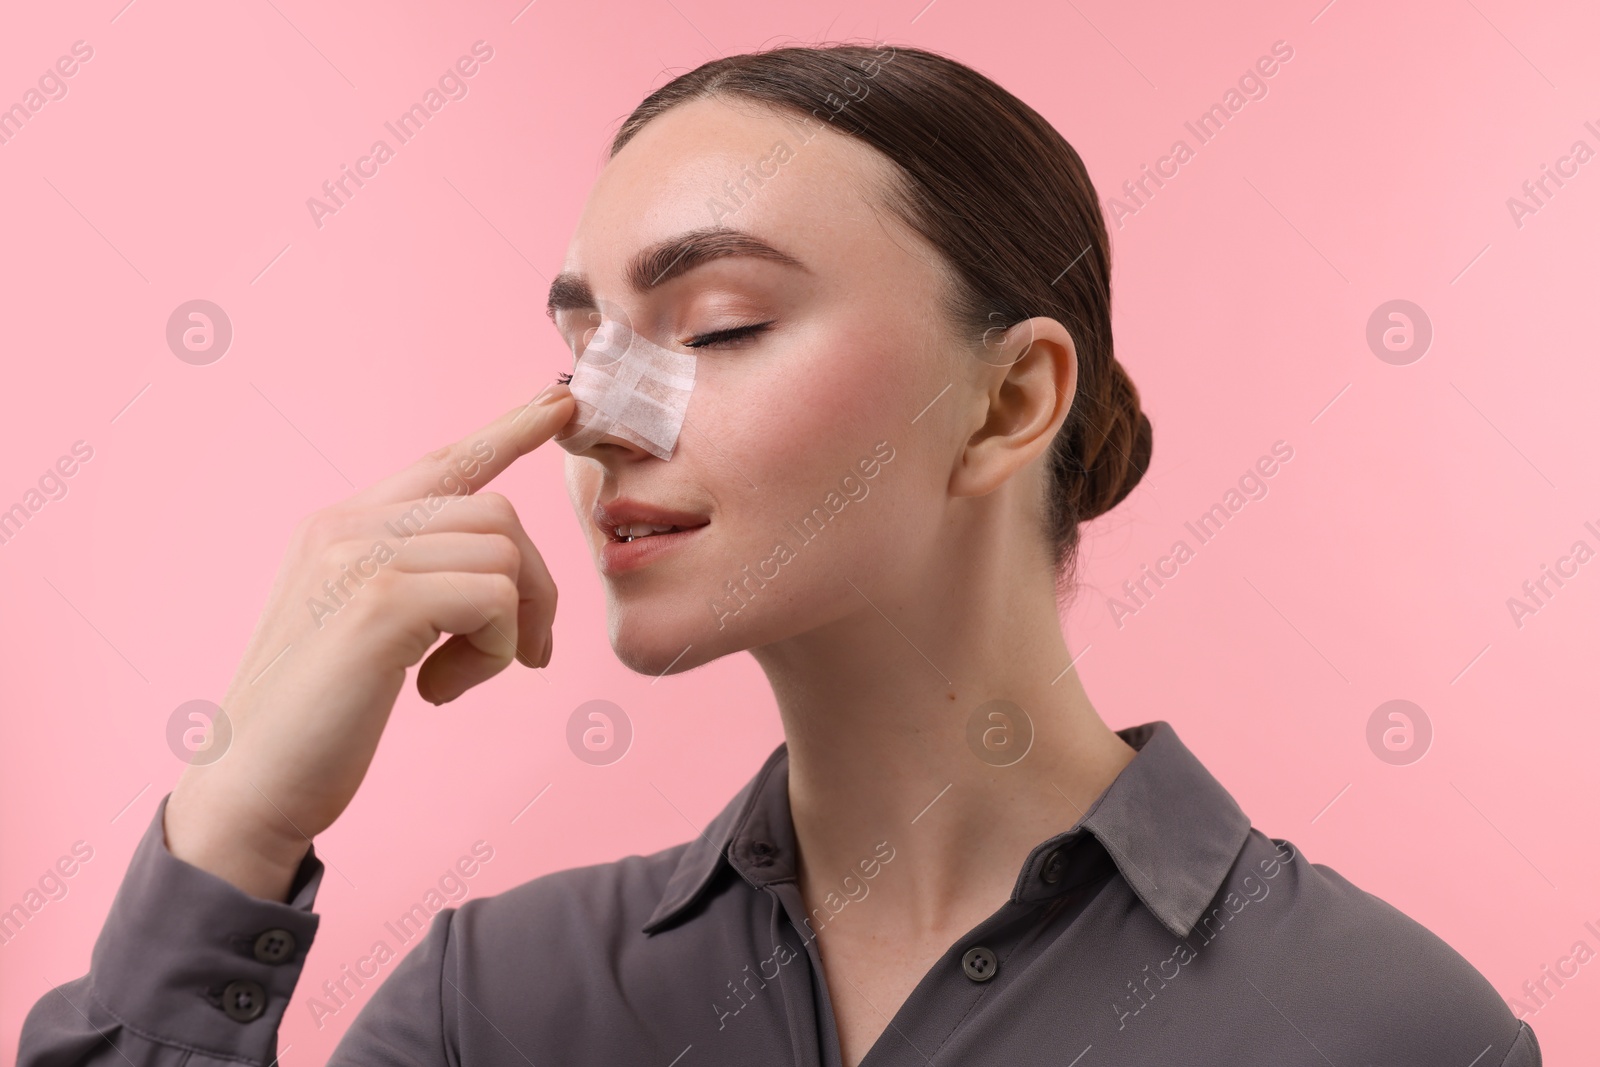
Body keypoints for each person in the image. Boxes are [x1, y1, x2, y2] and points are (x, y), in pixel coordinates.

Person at [18, 42, 1540, 1067]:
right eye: (586, 344)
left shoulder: (1389, 1028)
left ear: (1010, 400)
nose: (595, 418)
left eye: (719, 325)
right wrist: (232, 828)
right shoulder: (502, 1004)